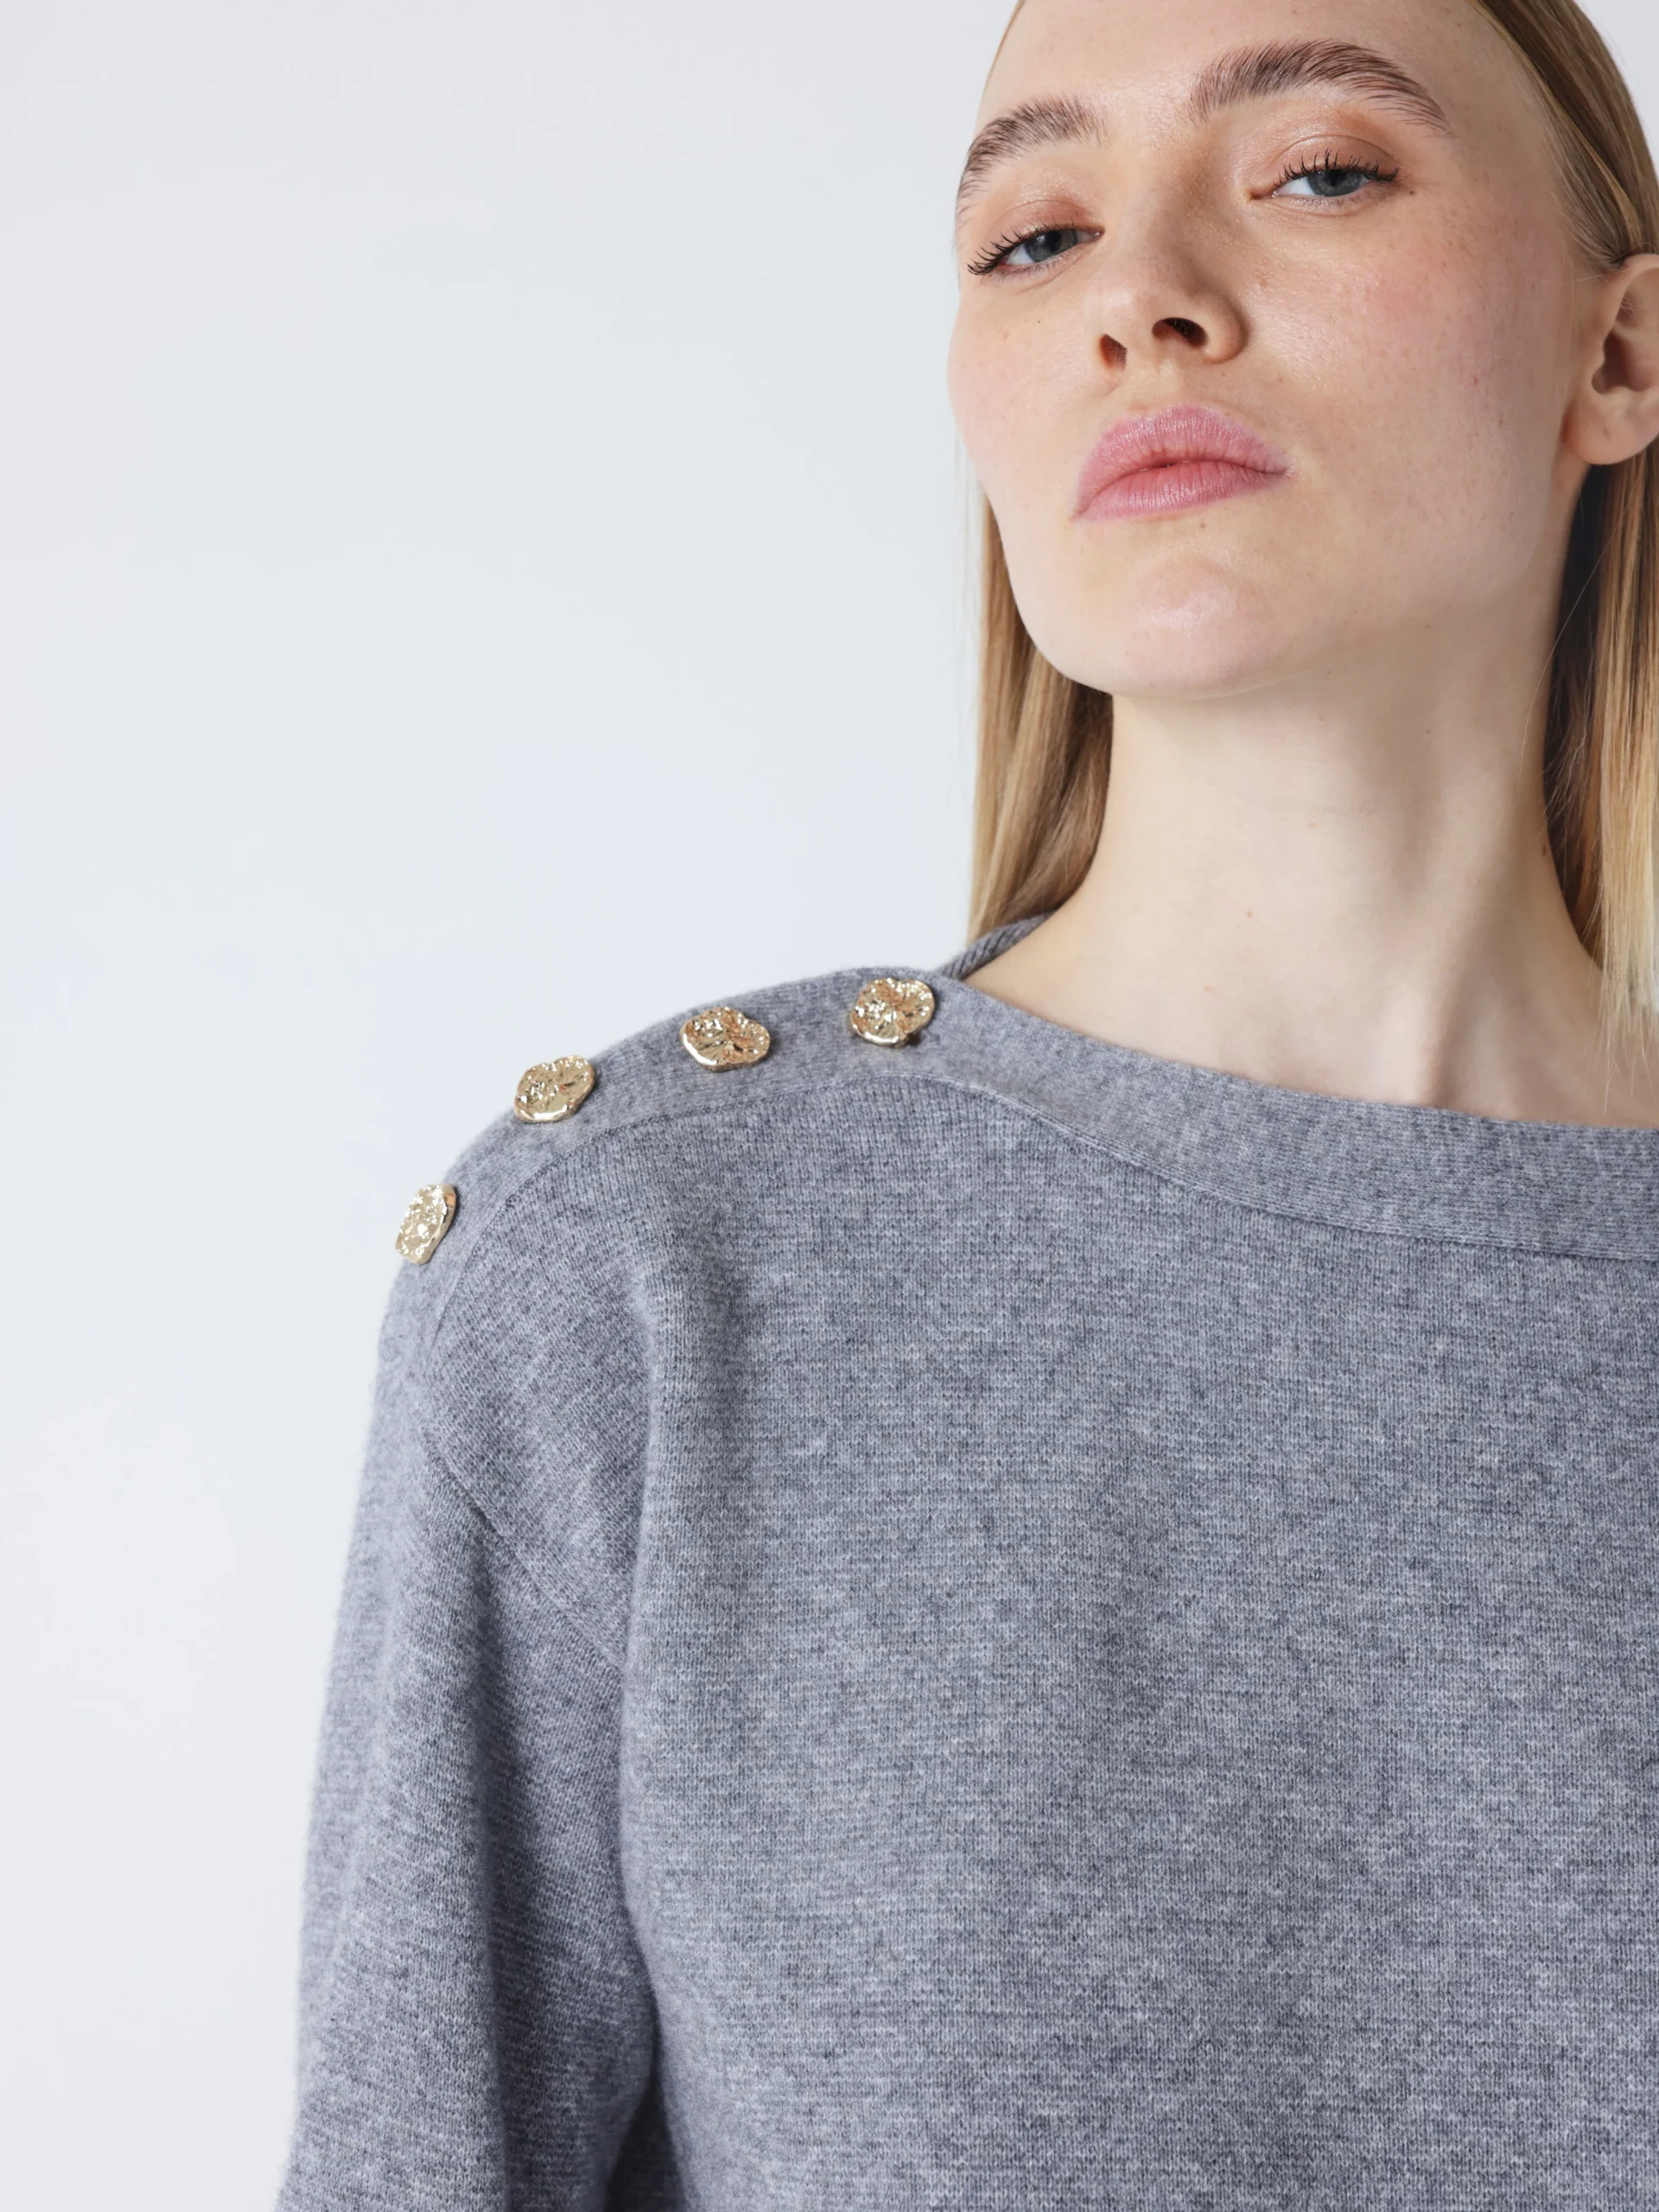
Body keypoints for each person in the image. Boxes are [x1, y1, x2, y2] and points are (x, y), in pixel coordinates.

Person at [276, 0, 1659, 2203]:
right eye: (1034, 235)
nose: (1142, 297)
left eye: (1318, 171)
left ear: (1621, 352)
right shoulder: (641, 1276)